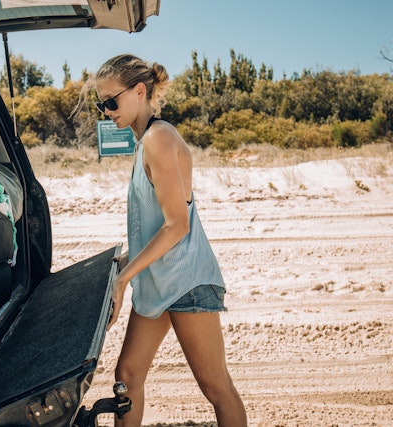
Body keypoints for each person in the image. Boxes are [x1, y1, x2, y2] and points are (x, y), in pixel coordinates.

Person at [93, 54, 247, 427]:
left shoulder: (159, 138)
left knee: (216, 387)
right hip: (160, 279)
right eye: (102, 104)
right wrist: (121, 262)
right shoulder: (146, 140)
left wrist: (124, 278)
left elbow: (178, 226)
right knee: (127, 376)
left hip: (186, 282)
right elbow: (156, 225)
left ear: (140, 91)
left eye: (111, 101)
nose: (106, 111)